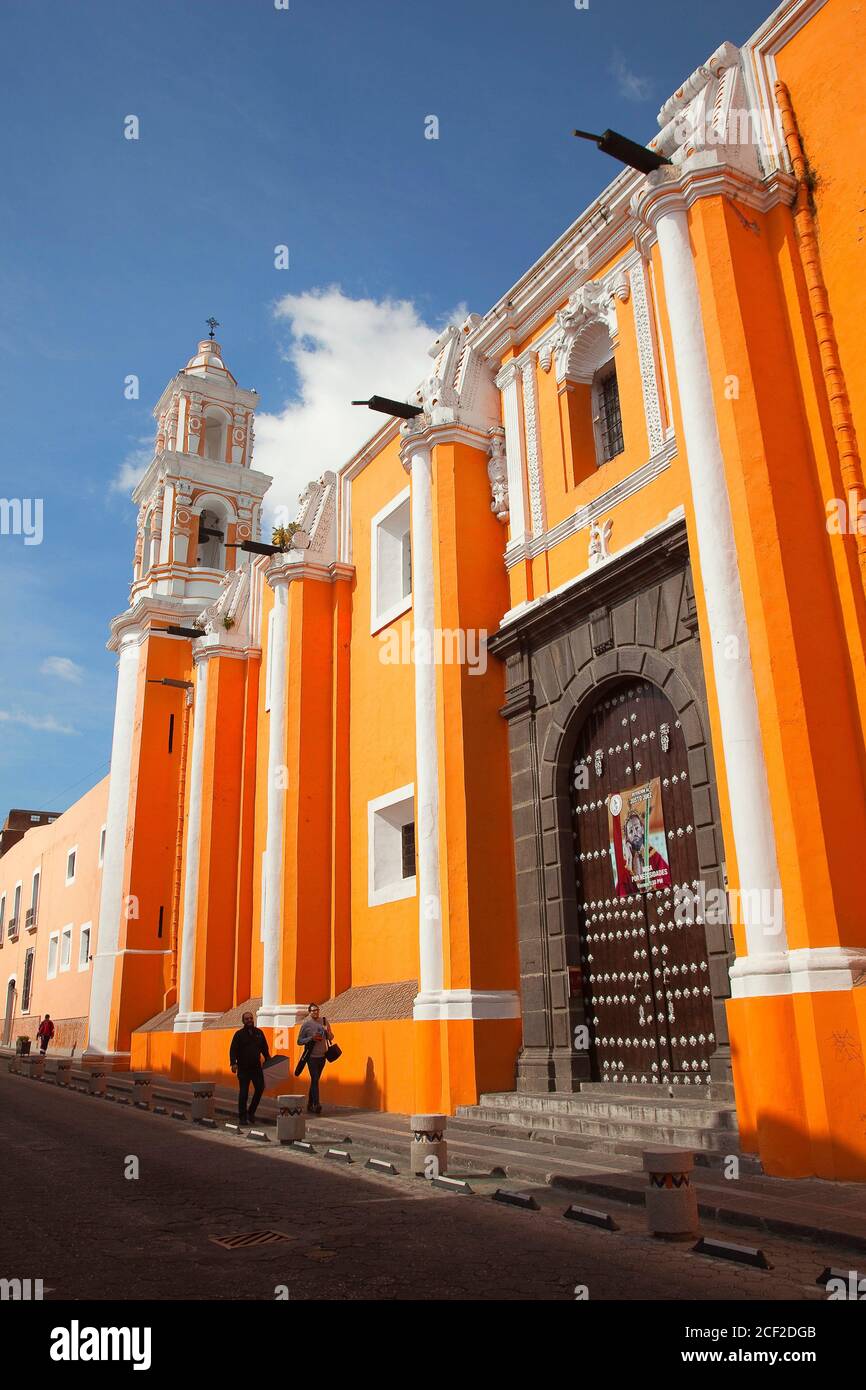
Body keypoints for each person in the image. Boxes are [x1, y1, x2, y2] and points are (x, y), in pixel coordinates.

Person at [229, 1011, 271, 1126]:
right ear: (243, 1021)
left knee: (260, 1088)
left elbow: (264, 1048)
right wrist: (233, 1063)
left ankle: (251, 1112)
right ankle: (242, 1116)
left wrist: (268, 1058)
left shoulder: (259, 1033)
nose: (249, 1020)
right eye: (247, 1019)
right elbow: (233, 1050)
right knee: (244, 1093)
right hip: (243, 1068)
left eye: (251, 1018)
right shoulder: (239, 1034)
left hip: (256, 1067)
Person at [297, 1004, 333, 1114]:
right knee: (315, 1078)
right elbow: (299, 1041)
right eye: (313, 1011)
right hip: (311, 1057)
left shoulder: (324, 1021)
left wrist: (327, 1032)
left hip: (322, 1056)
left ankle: (309, 1103)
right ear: (309, 1012)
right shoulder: (306, 1025)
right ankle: (316, 1104)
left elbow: (331, 1037)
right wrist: (311, 1038)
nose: (316, 1012)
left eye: (317, 1010)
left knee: (314, 1080)